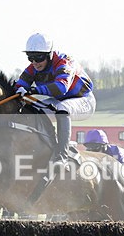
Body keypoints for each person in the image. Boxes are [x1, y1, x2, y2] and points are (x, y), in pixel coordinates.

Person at [14, 33, 95, 165]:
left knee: (62, 109)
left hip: (83, 100)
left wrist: (32, 90)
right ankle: (47, 145)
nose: (34, 62)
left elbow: (61, 87)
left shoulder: (64, 62)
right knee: (31, 109)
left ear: (49, 55)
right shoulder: (33, 67)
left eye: (38, 58)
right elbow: (20, 86)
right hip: (59, 101)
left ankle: (62, 155)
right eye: (30, 58)